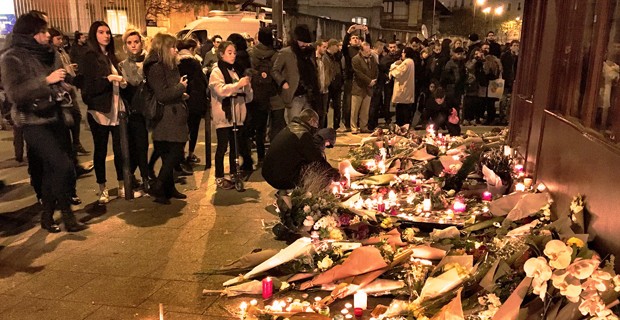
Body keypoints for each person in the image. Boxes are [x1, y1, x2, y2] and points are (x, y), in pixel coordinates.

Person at [1, 11, 87, 232]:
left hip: (55, 116)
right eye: (43, 31)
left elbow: (59, 80)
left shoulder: (49, 53)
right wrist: (45, 81)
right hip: (32, 121)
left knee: (52, 170)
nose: (48, 35)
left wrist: (66, 81)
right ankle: (66, 213)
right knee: (63, 166)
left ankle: (48, 217)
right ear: (31, 34)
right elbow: (14, 93)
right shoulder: (12, 57)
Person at [80, 21, 127, 204]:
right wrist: (108, 79)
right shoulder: (90, 56)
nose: (106, 35)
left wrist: (122, 83)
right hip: (99, 111)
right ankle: (102, 188)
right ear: (94, 34)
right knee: (100, 150)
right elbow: (89, 86)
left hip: (116, 109)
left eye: (107, 32)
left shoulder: (112, 56)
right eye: (101, 32)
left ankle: (123, 184)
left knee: (119, 149)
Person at [144, 33, 189, 204]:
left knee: (170, 152)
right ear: (163, 48)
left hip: (174, 113)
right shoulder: (156, 67)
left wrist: (181, 94)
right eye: (172, 47)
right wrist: (181, 87)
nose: (176, 50)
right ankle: (159, 185)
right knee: (175, 151)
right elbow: (162, 94)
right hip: (165, 116)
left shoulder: (170, 65)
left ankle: (167, 189)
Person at [209, 40, 254, 190]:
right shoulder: (217, 71)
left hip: (238, 114)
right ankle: (219, 176)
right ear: (221, 54)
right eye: (229, 52)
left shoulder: (235, 71)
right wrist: (237, 86)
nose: (233, 56)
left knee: (236, 145)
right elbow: (221, 90)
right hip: (224, 115)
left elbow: (248, 97)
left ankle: (235, 172)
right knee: (222, 146)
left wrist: (246, 87)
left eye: (234, 53)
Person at [262, 108, 339, 191]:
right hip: (279, 177)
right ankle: (305, 198)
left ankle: (284, 193)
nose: (316, 128)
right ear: (312, 120)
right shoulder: (302, 134)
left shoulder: (291, 128)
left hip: (268, 172)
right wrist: (333, 173)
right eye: (316, 124)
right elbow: (316, 160)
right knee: (314, 172)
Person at [49, 27, 89, 156]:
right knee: (67, 120)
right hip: (61, 90)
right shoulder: (51, 53)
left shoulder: (62, 51)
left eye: (61, 38)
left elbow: (64, 67)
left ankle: (75, 143)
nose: (61, 41)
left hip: (69, 87)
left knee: (76, 116)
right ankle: (70, 150)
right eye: (58, 39)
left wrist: (71, 69)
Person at [119, 29, 150, 192]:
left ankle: (146, 174)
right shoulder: (122, 65)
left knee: (155, 144)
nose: (133, 45)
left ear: (141, 42)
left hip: (150, 108)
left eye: (136, 42)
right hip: (134, 111)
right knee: (139, 144)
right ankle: (143, 177)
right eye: (129, 42)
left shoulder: (149, 61)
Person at [271, 24, 319, 123]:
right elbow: (275, 70)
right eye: (302, 42)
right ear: (296, 40)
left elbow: (314, 70)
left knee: (309, 125)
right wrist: (283, 82)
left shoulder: (309, 53)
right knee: (294, 125)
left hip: (309, 95)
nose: (304, 45)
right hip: (294, 95)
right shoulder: (286, 53)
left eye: (306, 42)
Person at [248, 27, 280, 162]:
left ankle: (257, 154)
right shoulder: (275, 54)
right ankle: (268, 154)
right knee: (271, 126)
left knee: (257, 125)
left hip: (255, 93)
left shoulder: (251, 52)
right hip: (272, 93)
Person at [177, 39, 208, 166]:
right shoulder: (195, 63)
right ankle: (190, 154)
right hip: (194, 101)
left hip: (180, 100)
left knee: (182, 130)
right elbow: (202, 82)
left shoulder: (175, 62)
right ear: (191, 49)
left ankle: (180, 155)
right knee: (193, 128)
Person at [342, 24, 371, 132]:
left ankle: (361, 125)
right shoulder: (347, 50)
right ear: (350, 41)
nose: (355, 39)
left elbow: (369, 46)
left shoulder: (361, 50)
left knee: (362, 104)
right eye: (353, 38)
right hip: (350, 79)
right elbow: (344, 46)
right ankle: (348, 125)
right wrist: (348, 32)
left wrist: (367, 33)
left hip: (361, 80)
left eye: (357, 38)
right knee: (349, 104)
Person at [350, 42, 378, 134]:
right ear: (361, 51)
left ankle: (363, 127)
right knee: (355, 110)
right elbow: (358, 73)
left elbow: (375, 70)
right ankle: (354, 127)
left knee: (365, 110)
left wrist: (374, 80)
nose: (369, 53)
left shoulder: (372, 58)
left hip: (369, 88)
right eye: (366, 51)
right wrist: (369, 81)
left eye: (369, 50)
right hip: (359, 87)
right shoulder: (355, 59)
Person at [389, 47, 415, 127]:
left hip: (403, 87)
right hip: (406, 87)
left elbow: (398, 73)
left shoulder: (406, 62)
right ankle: (403, 123)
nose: (402, 54)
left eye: (403, 52)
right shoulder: (411, 62)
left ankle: (400, 124)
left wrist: (393, 66)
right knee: (404, 107)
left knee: (401, 107)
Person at [325, 39, 344, 131]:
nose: (338, 48)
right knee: (326, 107)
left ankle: (336, 126)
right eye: (337, 46)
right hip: (328, 85)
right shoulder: (325, 56)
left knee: (337, 107)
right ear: (332, 46)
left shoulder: (337, 57)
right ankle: (324, 126)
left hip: (337, 85)